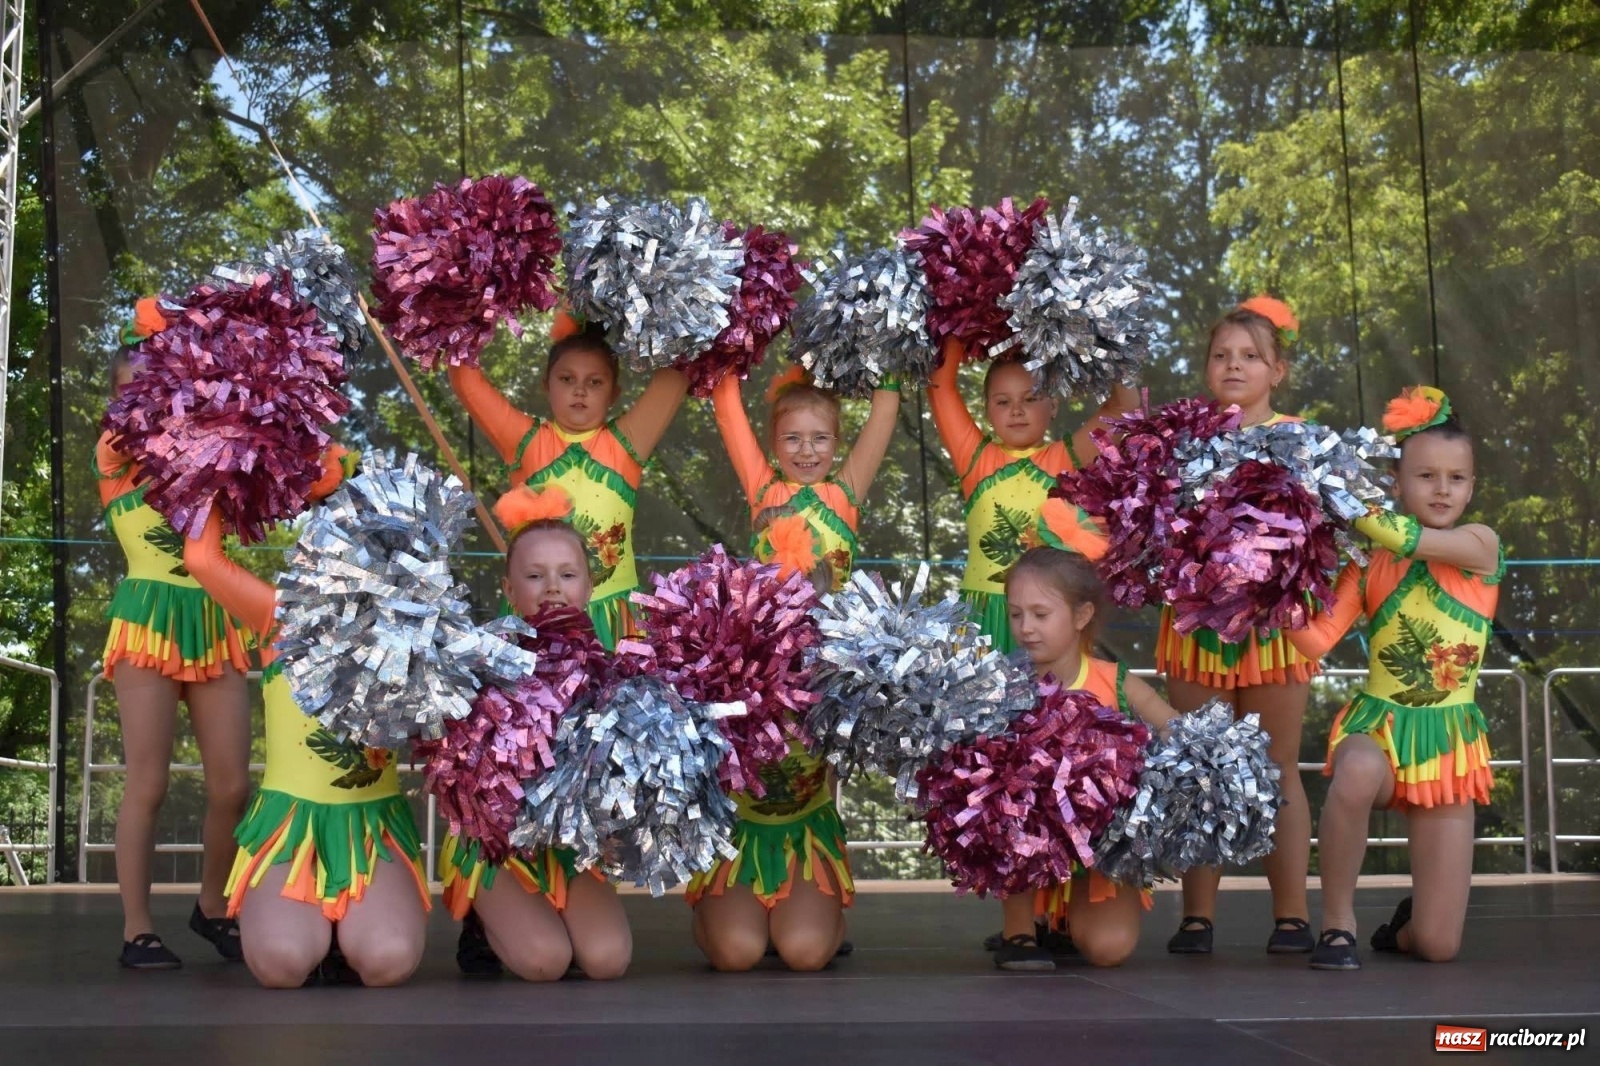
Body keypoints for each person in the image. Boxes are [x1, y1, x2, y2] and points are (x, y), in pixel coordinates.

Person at [685, 368, 900, 971]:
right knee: (749, 761)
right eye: (792, 439)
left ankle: (819, 890)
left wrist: (887, 339)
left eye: (821, 439)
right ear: (773, 444)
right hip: (759, 668)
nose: (807, 451)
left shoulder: (848, 493)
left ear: (838, 444)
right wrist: (729, 351)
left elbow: (884, 411)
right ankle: (724, 895)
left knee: (821, 762)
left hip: (826, 669)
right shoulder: (763, 490)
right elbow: (726, 407)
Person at [182, 471, 429, 989]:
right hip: (288, 825)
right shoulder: (278, 616)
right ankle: (320, 933)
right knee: (281, 964)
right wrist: (224, 462)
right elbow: (203, 560)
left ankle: (347, 933)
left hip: (373, 827)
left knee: (387, 961)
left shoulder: (413, 627)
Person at [1285, 388, 1500, 971]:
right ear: (1398, 482)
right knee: (1354, 769)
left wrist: (1341, 496)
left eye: (1457, 478)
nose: (1441, 489)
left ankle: (1402, 930)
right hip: (1377, 729)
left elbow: (1409, 539)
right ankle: (1337, 924)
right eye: (1426, 475)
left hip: (1448, 746)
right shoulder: (1368, 563)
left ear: (1472, 487)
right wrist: (1263, 591)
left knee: (1438, 948)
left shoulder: (1481, 545)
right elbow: (1316, 640)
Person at [1159, 297, 1318, 955]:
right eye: (1221, 355)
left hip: (1274, 628)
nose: (1234, 365)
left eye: (1250, 355)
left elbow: (1323, 529)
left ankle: (1293, 916)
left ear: (1276, 369)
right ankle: (1197, 917)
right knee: (1202, 763)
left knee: (1279, 765)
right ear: (1205, 367)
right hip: (1197, 626)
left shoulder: (1304, 437)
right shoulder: (1182, 437)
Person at [98, 300, 252, 970]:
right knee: (149, 783)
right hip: (148, 622)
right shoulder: (116, 453)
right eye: (133, 382)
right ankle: (137, 929)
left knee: (231, 784)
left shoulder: (210, 454)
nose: (148, 393)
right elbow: (133, 424)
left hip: (214, 618)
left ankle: (212, 905)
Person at [437, 485, 632, 982]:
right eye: (534, 575)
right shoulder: (478, 662)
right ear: (508, 588)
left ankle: (548, 912)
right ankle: (484, 921)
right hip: (496, 847)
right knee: (546, 963)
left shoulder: (614, 671)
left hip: (566, 848)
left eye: (567, 575)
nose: (552, 587)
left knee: (608, 961)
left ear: (589, 587)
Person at [447, 312, 688, 648]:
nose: (580, 390)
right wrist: (472, 303)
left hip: (613, 617)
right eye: (566, 379)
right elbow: (466, 380)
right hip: (533, 613)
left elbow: (675, 376)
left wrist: (671, 303)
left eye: (595, 382)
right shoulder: (525, 441)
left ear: (614, 393)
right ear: (547, 385)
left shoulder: (626, 444)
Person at [990, 547, 1177, 972]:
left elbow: (1175, 729)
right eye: (1016, 614)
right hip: (1029, 847)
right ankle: (1020, 929)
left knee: (1110, 950)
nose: (1026, 628)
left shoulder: (1114, 680)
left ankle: (1063, 921)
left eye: (1041, 614)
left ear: (1081, 615)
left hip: (1099, 849)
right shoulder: (1000, 685)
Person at [928, 337, 1136, 652]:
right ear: (986, 410)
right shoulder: (975, 458)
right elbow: (940, 386)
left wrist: (1108, 335)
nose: (1016, 411)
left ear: (1053, 404)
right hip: (982, 620)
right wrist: (960, 323)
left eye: (1030, 398)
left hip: (1048, 618)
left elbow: (1126, 408)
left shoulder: (1067, 457)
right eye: (1002, 401)